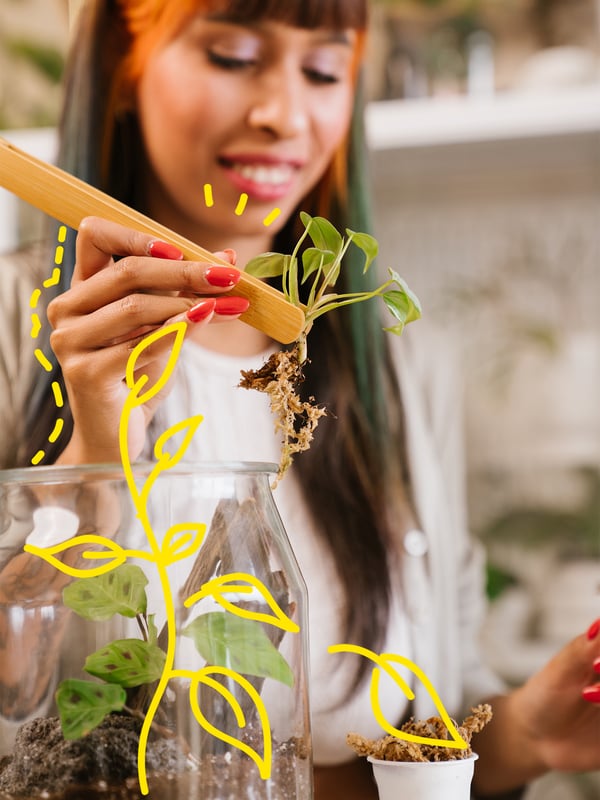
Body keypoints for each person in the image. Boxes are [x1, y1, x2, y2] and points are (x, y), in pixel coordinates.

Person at [0, 1, 598, 797]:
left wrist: (525, 732)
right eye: (233, 55)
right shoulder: (20, 322)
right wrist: (96, 453)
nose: (283, 114)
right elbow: (20, 715)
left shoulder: (400, 368)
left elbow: (422, 731)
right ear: (122, 66)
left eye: (322, 70)